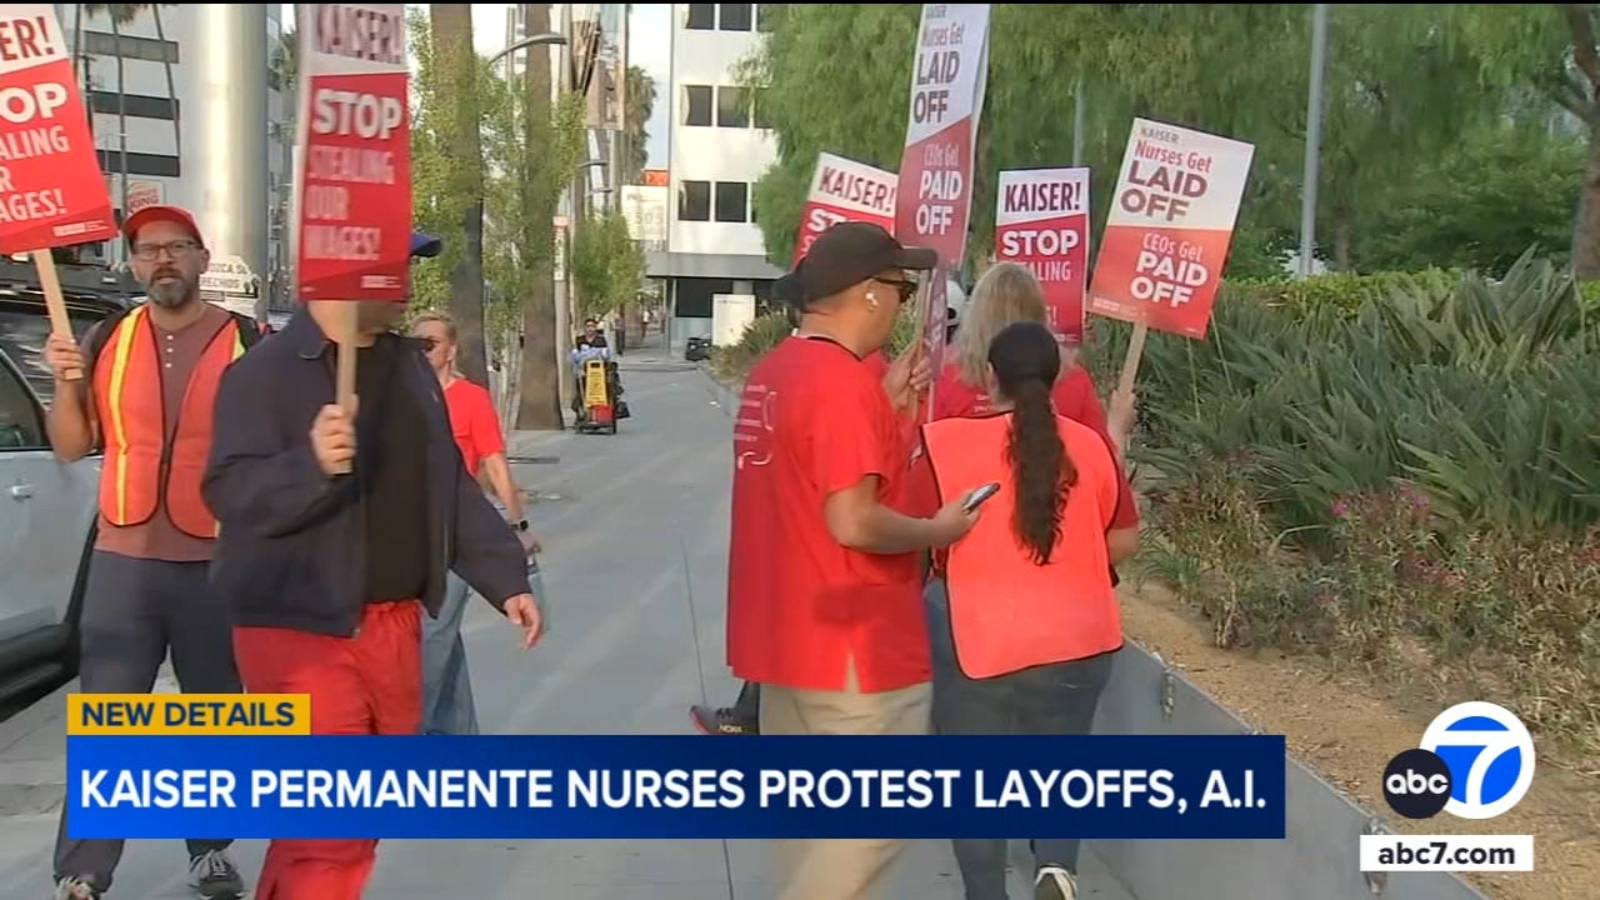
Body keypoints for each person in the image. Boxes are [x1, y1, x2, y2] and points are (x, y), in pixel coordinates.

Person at [201, 232, 542, 900]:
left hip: (393, 627)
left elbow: (447, 483)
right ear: (342, 272)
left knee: (351, 818)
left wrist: (505, 578)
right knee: (329, 824)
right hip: (299, 632)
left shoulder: (409, 367)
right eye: (393, 265)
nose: (407, 281)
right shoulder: (265, 373)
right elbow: (228, 492)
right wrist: (309, 465)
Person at [725, 221, 981, 900]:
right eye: (900, 290)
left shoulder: (775, 373)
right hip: (855, 654)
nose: (901, 306)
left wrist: (885, 404)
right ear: (869, 293)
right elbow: (853, 520)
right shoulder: (840, 384)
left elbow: (809, 483)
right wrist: (938, 529)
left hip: (786, 645)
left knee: (811, 837)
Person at [43, 205, 254, 900]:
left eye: (176, 246)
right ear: (133, 264)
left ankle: (211, 851)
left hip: (216, 561)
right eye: (147, 249)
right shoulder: (107, 337)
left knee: (214, 715)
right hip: (123, 560)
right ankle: (83, 870)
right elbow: (70, 445)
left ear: (202, 257)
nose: (162, 259)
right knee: (108, 719)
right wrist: (65, 383)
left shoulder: (248, 340)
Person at [918, 320, 1141, 900]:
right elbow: (1123, 540)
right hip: (1080, 639)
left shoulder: (943, 442)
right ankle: (1056, 868)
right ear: (1055, 378)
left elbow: (915, 534)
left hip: (979, 641)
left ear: (988, 377)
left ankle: (986, 892)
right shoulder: (1091, 445)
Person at [410, 309, 544, 735]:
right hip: (412, 536)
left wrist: (517, 525)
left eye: (431, 343)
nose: (422, 350)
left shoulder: (470, 399)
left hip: (456, 536)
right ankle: (461, 734)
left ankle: (415, 739)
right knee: (444, 644)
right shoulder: (404, 396)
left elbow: (495, 464)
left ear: (451, 350)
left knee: (431, 643)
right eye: (416, 343)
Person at [933, 262, 1135, 454]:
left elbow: (925, 460)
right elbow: (1103, 465)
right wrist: (1117, 428)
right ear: (1040, 313)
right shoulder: (1072, 380)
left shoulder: (942, 378)